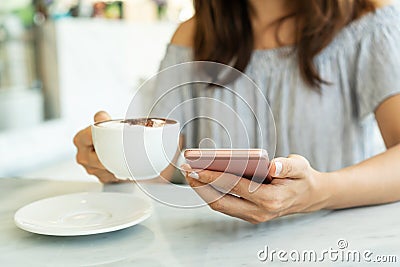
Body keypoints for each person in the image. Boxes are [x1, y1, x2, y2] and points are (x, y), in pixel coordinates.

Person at [74, 0, 400, 224]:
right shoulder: (192, 35)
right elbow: (157, 167)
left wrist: (319, 192)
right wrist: (115, 160)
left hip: (335, 245)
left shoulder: (369, 19)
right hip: (213, 247)